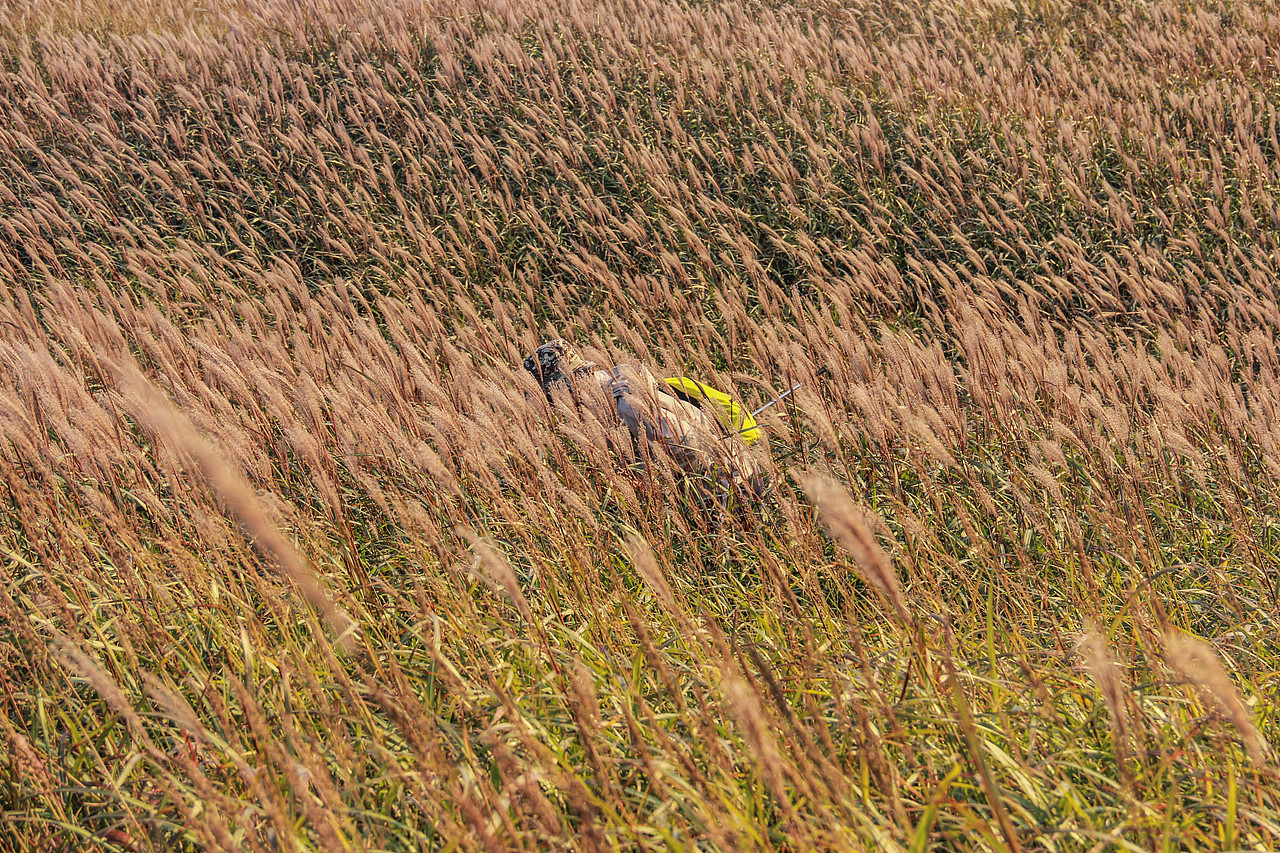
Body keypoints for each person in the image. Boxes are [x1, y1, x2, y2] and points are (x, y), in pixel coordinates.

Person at [522, 339, 765, 502]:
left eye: (552, 397)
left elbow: (692, 451)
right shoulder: (609, 393)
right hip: (722, 487)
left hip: (733, 491)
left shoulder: (627, 406)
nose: (556, 407)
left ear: (566, 384)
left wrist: (650, 477)